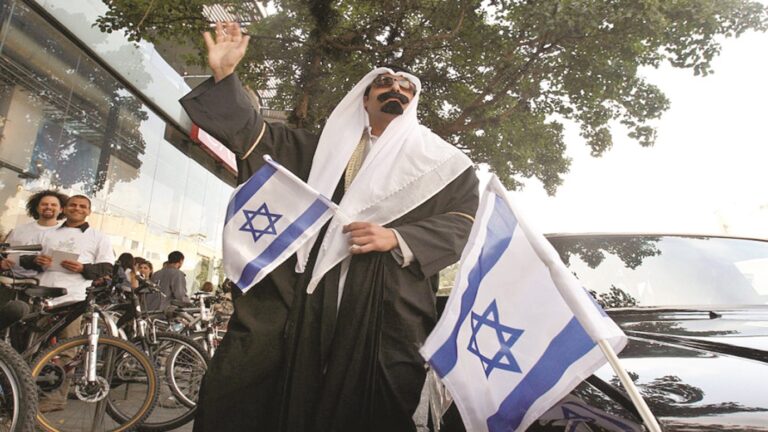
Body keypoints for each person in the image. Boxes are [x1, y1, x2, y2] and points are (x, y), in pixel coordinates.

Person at [181, 22, 479, 432]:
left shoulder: (443, 166)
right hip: (304, 298)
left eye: (406, 87)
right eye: (384, 83)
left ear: (413, 102)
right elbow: (252, 136)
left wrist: (398, 237)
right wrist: (225, 76)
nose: (396, 89)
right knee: (259, 386)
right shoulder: (314, 151)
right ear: (364, 98)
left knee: (378, 404)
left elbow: (464, 222)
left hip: (384, 301)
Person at [20, 194, 115, 412]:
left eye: (82, 206)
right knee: (33, 346)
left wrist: (83, 268)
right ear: (65, 208)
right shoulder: (48, 232)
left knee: (66, 350)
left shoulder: (98, 237)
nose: (77, 209)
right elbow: (25, 259)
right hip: (42, 296)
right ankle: (24, 395)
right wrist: (36, 260)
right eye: (73, 205)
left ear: (89, 211)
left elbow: (107, 268)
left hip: (74, 298)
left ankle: (55, 399)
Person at [1, 189, 68, 277]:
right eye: (44, 204)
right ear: (37, 208)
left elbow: (62, 265)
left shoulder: (65, 234)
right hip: (12, 280)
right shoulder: (19, 230)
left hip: (45, 283)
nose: (48, 207)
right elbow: (9, 254)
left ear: (61, 209)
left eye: (53, 205)